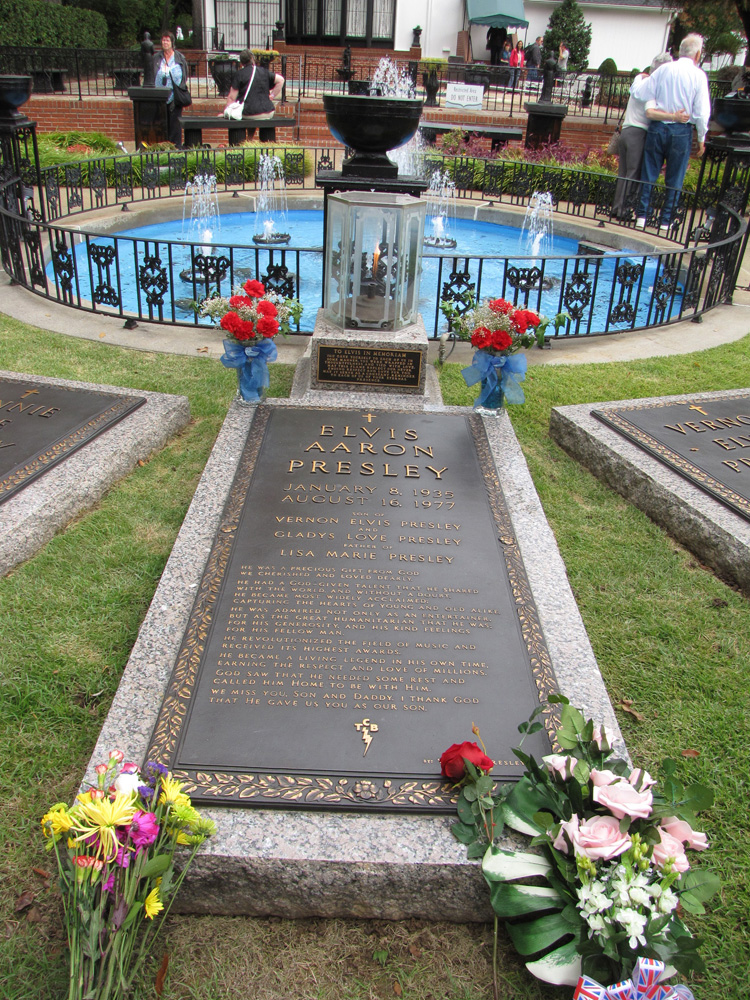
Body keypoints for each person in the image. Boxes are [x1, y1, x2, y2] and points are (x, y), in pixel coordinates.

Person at [630, 33, 711, 230]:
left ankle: (642, 216)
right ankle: (666, 221)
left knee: (649, 173)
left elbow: (640, 93)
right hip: (681, 129)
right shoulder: (698, 75)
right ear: (698, 54)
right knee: (675, 177)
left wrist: (638, 79)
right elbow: (701, 111)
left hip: (658, 127)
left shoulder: (664, 70)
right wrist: (702, 137)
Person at [612, 53, 689, 219]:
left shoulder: (640, 81)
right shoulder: (651, 86)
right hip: (638, 133)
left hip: (626, 130)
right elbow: (651, 111)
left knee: (624, 173)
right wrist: (673, 116)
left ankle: (617, 207)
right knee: (633, 173)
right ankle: (623, 210)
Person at [225, 49, 284, 141]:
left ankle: (247, 141)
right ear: (252, 59)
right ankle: (251, 140)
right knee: (254, 111)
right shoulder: (264, 71)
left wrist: (227, 111)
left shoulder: (240, 74)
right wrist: (272, 96)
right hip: (268, 112)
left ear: (241, 62)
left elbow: (232, 97)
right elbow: (281, 80)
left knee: (247, 114)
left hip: (249, 113)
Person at [154, 31, 188, 147]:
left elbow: (184, 76)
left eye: (167, 40)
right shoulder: (156, 58)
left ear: (172, 42)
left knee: (175, 125)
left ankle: (175, 148)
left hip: (175, 96)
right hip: (160, 97)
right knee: (162, 124)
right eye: (163, 40)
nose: (165, 42)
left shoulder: (179, 58)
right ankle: (162, 148)